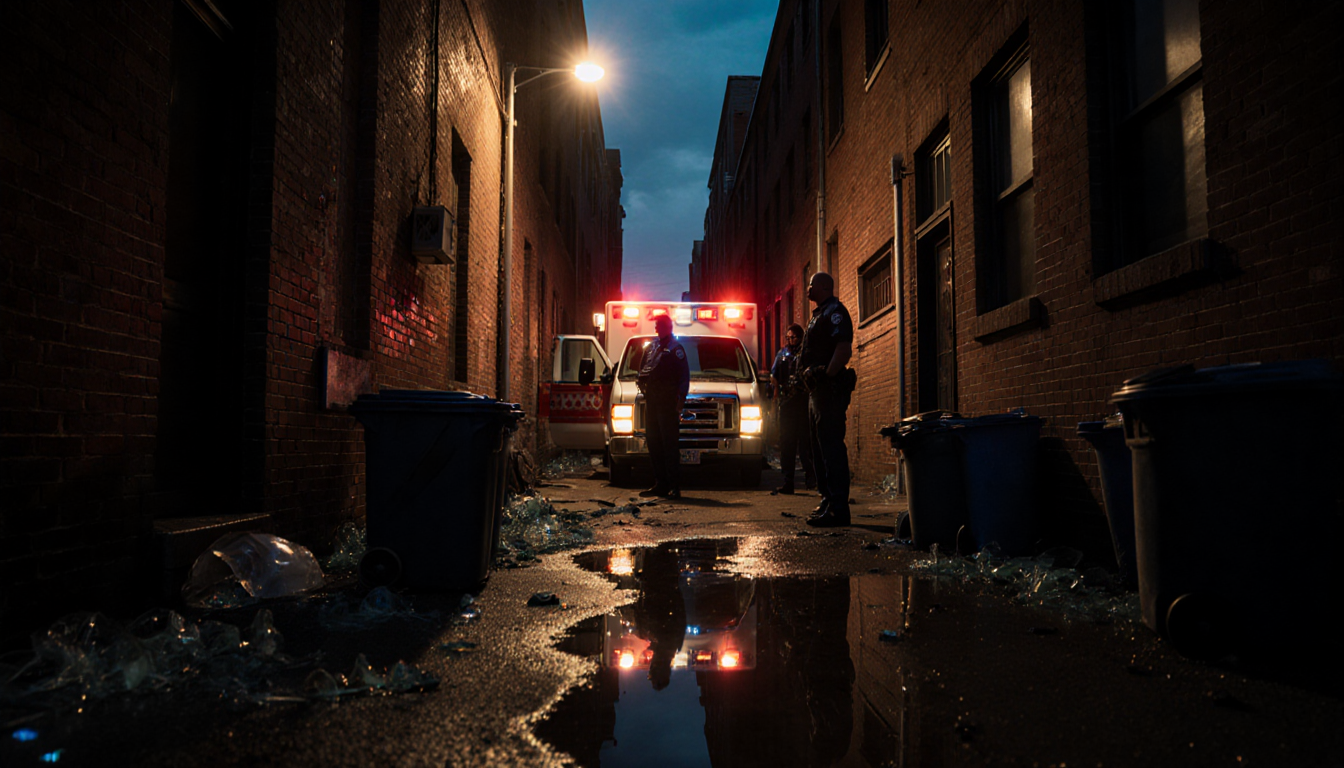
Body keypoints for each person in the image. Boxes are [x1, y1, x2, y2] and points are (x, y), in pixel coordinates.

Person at [798, 272, 856, 527]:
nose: (807, 288)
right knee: (818, 447)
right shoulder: (818, 313)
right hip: (816, 393)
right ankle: (827, 499)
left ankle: (839, 508)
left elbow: (843, 350)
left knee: (831, 448)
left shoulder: (835, 312)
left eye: (810, 284)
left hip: (828, 391)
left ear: (822, 287)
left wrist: (825, 374)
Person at [636, 314, 690, 499]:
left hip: (668, 402)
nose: (656, 329)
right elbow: (643, 368)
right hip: (652, 401)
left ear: (668, 327)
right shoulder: (651, 348)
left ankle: (674, 486)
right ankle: (660, 484)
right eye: (656, 325)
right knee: (654, 442)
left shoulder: (676, 349)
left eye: (659, 325)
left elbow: (684, 377)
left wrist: (681, 401)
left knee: (669, 445)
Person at [770, 323, 814, 494]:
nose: (790, 340)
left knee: (805, 443)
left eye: (793, 337)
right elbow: (774, 376)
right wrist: (776, 393)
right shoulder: (782, 354)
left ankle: (811, 478)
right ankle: (788, 482)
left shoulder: (806, 353)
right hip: (787, 402)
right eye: (788, 337)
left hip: (803, 401)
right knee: (786, 443)